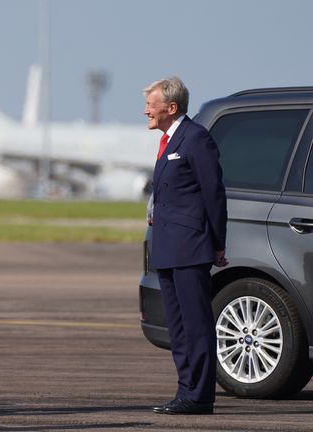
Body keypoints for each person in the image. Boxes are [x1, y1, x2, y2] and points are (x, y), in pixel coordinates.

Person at [143, 77, 228, 415]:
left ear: (171, 107)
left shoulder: (195, 138)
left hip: (190, 247)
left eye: (151, 104)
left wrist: (218, 241)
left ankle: (200, 394)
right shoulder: (168, 141)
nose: (146, 110)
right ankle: (185, 391)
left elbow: (213, 193)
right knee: (177, 327)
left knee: (196, 324)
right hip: (166, 247)